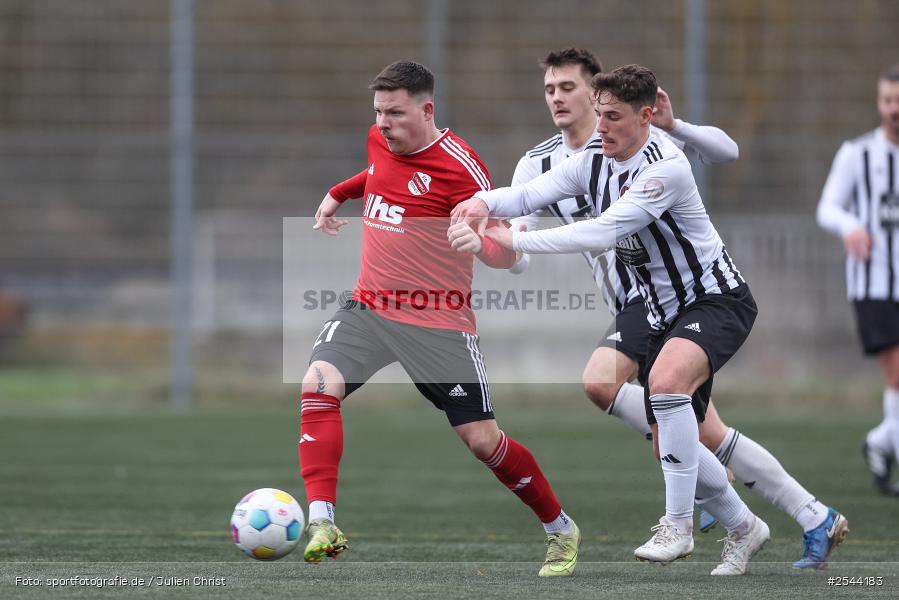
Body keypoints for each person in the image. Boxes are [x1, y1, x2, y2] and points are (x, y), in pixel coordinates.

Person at [451, 64, 846, 575]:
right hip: (656, 312)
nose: (567, 104)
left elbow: (601, 230)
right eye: (550, 88)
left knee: (650, 386)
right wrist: (479, 203)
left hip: (711, 300)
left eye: (577, 92)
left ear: (641, 114)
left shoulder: (665, 165)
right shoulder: (577, 157)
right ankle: (774, 521)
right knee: (685, 433)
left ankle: (679, 524)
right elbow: (525, 199)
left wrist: (512, 238)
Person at [302, 60, 581, 577]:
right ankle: (323, 521)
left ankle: (560, 527)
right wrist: (339, 193)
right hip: (370, 307)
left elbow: (507, 252)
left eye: (395, 113)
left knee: (483, 441)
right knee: (318, 385)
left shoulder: (461, 169)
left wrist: (480, 243)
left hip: (438, 322)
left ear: (426, 110)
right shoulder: (379, 138)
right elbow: (378, 175)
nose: (384, 124)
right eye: (379, 112)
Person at [817, 64, 899, 497]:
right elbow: (827, 207)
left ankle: (880, 441)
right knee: (897, 374)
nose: (893, 109)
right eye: (887, 100)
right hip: (875, 283)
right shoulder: (858, 154)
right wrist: (850, 226)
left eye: (898, 101)